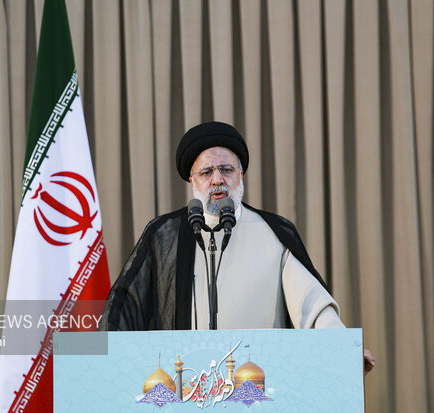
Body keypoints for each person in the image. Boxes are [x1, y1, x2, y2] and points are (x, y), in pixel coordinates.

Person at [100, 121, 374, 374]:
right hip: (184, 389)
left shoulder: (273, 232)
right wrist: (92, 354)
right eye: (206, 172)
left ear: (240, 174)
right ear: (192, 181)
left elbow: (313, 306)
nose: (217, 179)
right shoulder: (165, 234)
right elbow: (126, 304)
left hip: (260, 386)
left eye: (226, 170)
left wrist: (341, 350)